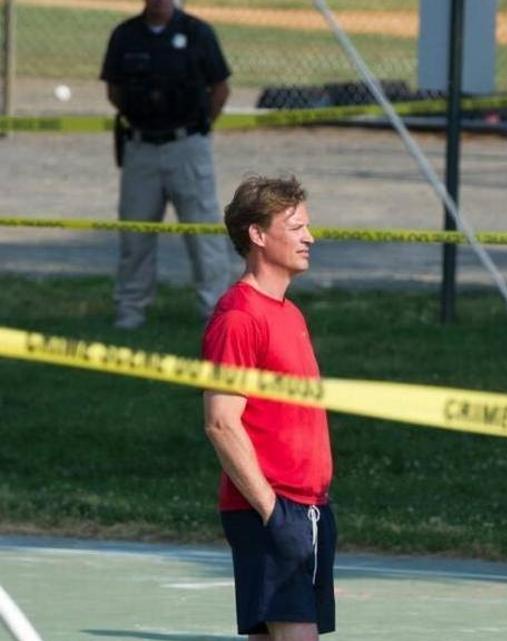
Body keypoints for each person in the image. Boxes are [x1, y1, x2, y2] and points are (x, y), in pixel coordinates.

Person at [202, 176, 335, 639]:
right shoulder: (239, 318)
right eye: (296, 227)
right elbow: (221, 422)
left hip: (311, 509)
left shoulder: (289, 313)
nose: (310, 238)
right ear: (257, 235)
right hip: (274, 510)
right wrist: (272, 511)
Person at [101, 0, 234, 329]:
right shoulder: (126, 35)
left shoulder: (198, 33)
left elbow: (220, 88)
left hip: (186, 146)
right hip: (141, 147)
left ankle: (215, 311)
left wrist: (197, 131)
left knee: (202, 233)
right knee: (135, 232)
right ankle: (131, 309)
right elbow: (114, 90)